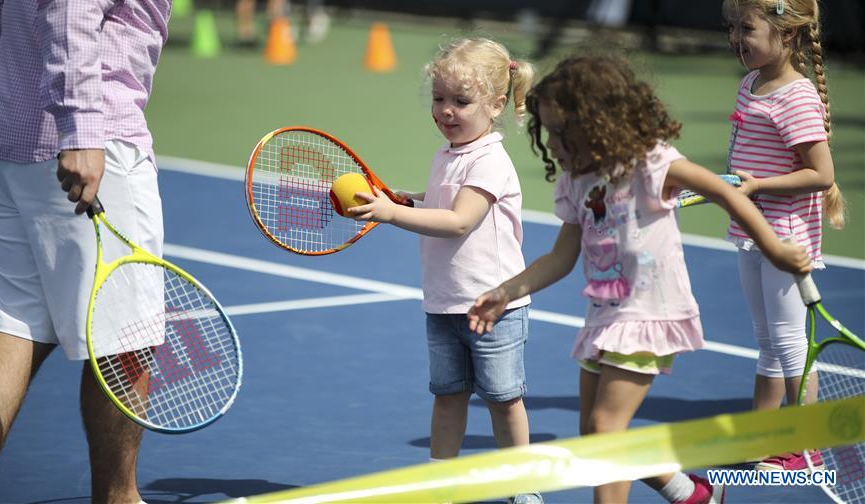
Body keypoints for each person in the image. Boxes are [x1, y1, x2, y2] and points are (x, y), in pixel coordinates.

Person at [467, 56, 812, 504]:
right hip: (605, 317)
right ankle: (692, 493)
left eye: (559, 131)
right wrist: (506, 291)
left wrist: (775, 248)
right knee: (595, 437)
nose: (549, 142)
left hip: (649, 314)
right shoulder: (575, 183)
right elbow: (560, 257)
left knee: (606, 430)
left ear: (595, 125)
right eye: (546, 130)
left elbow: (724, 192)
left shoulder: (650, 163)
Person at [0, 0, 183, 502]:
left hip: (8, 130)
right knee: (126, 341)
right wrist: (81, 127)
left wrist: (21, 84)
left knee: (17, 325)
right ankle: (120, 498)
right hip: (89, 136)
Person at [347, 38, 542, 504]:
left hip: (493, 308)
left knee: (504, 400)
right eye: (439, 99)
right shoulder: (447, 154)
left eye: (461, 101)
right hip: (444, 303)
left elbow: (458, 221)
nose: (446, 111)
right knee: (448, 396)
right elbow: (439, 203)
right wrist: (402, 199)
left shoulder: (489, 160)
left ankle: (524, 487)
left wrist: (392, 214)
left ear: (496, 105)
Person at [721, 0, 844, 472]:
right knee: (768, 339)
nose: (736, 38)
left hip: (785, 235)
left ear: (787, 32)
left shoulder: (796, 96)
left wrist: (758, 187)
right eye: (732, 27)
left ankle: (804, 446)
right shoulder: (751, 82)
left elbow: (821, 173)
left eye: (746, 28)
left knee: (791, 343)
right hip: (752, 230)